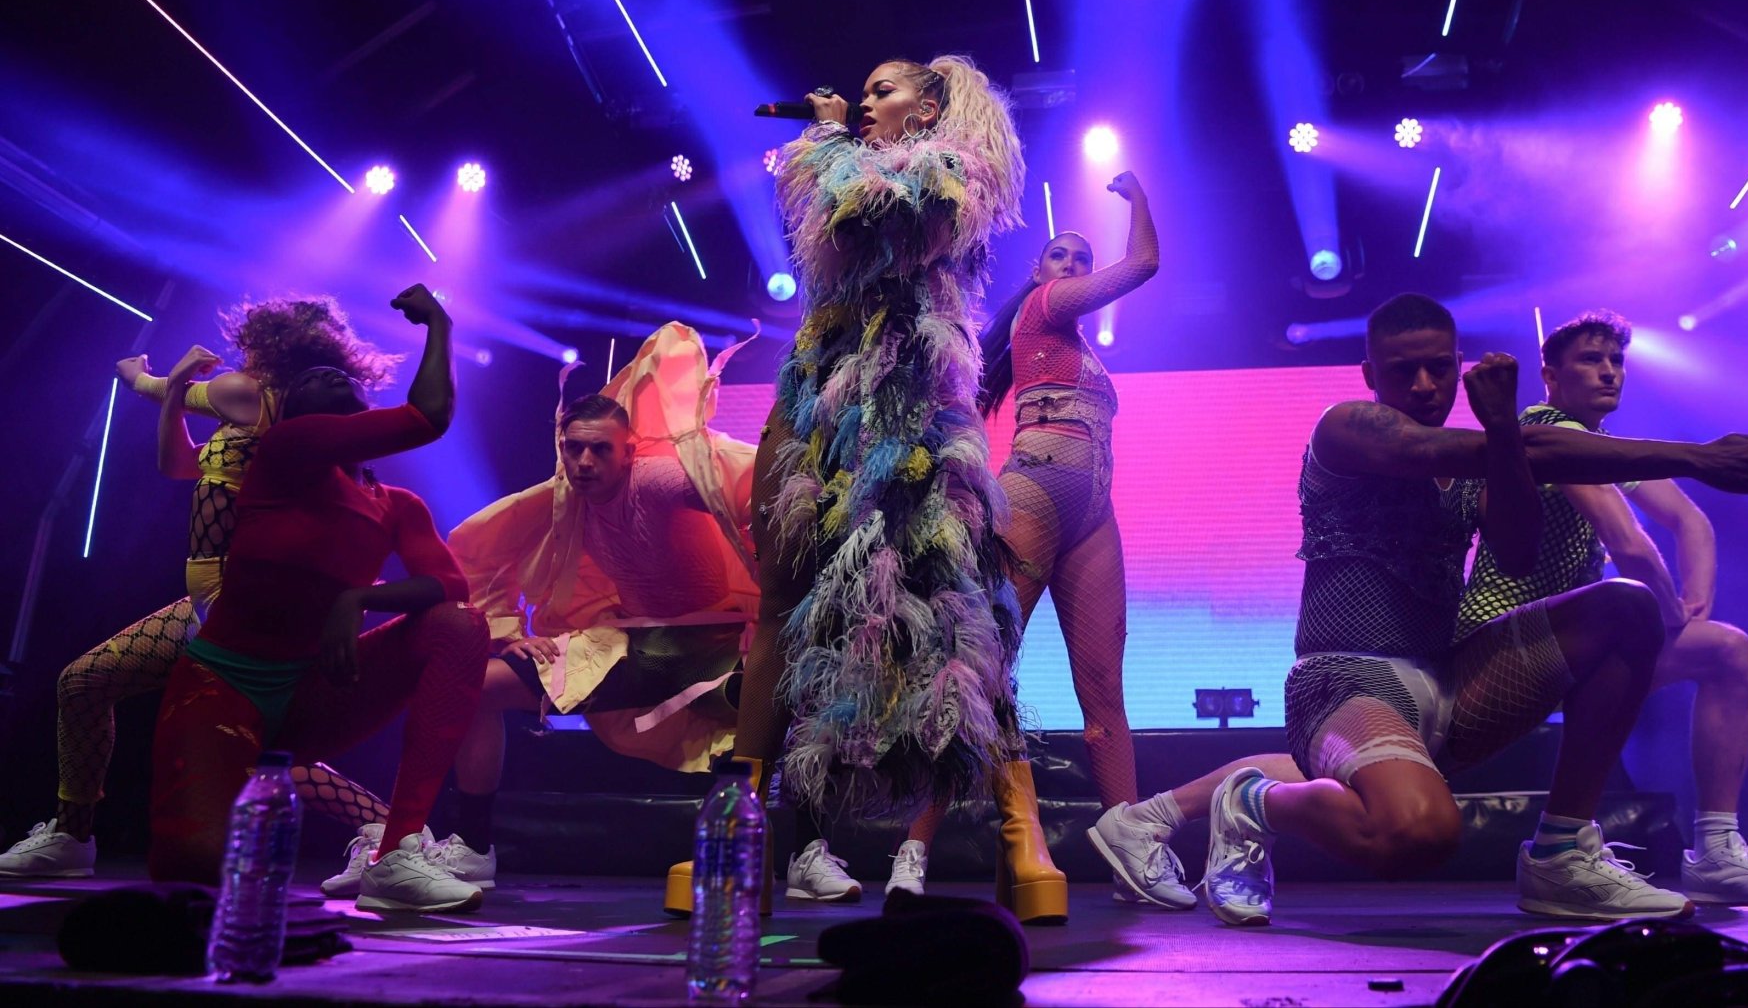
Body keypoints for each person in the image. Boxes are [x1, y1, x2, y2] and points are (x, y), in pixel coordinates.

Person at [1095, 293, 1748, 925]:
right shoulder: (1347, 428)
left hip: (1453, 680)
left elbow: (1516, 549)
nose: (1423, 384)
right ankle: (1253, 802)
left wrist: (1505, 432)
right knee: (1419, 833)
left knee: (1627, 609)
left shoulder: (1476, 458)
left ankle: (1562, 855)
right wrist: (1697, 456)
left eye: (1438, 368)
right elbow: (1494, 450)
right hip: (1345, 681)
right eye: (1403, 370)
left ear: (1458, 365)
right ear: (1370, 375)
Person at [664, 55, 1061, 922]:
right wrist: (830, 141)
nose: (866, 102)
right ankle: (735, 825)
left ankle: (1020, 829)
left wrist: (827, 136)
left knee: (960, 607)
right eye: (865, 92)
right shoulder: (842, 158)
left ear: (928, 107)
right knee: (780, 602)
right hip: (817, 394)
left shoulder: (951, 170)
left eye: (884, 90)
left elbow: (867, 212)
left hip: (906, 406)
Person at [363, 323, 850, 902]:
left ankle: (808, 854)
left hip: (721, 648)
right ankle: (472, 845)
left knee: (805, 696)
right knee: (473, 685)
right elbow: (478, 548)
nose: (585, 461)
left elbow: (755, 484)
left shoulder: (661, 480)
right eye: (574, 448)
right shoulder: (562, 498)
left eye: (600, 449)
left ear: (629, 452)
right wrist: (504, 633)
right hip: (635, 646)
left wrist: (789, 562)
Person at [1, 299, 400, 879]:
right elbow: (178, 465)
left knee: (110, 691)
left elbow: (146, 386)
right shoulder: (283, 414)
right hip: (227, 597)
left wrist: (142, 373)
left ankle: (72, 833)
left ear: (267, 343)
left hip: (236, 600)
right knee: (237, 736)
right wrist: (175, 391)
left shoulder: (249, 394)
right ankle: (390, 831)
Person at [146, 284, 491, 914]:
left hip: (313, 691)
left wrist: (355, 600)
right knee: (195, 871)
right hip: (225, 685)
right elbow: (428, 417)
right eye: (309, 380)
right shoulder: (286, 449)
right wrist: (438, 323)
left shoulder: (397, 506)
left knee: (459, 625)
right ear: (292, 414)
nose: (327, 376)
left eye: (339, 375)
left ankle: (397, 853)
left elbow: (451, 588)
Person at [1458, 311, 1748, 905]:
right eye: (1590, 360)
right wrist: (1672, 616)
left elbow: (1691, 522)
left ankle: (1718, 852)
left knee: (1727, 651)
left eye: (1616, 360)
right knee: (1681, 629)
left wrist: (1693, 603)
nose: (1609, 371)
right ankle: (1563, 852)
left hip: (1571, 645)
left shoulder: (1602, 446)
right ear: (1550, 376)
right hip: (1503, 647)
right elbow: (1628, 544)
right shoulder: (1544, 428)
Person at [888, 171, 1174, 907]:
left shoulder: (1078, 347)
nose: (1073, 265)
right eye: (1060, 255)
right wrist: (1140, 200)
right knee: (980, 675)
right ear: (1040, 273)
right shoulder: (1045, 308)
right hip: (1036, 498)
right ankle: (913, 846)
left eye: (1082, 258)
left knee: (1105, 690)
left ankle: (1130, 850)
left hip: (1094, 516)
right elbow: (1144, 264)